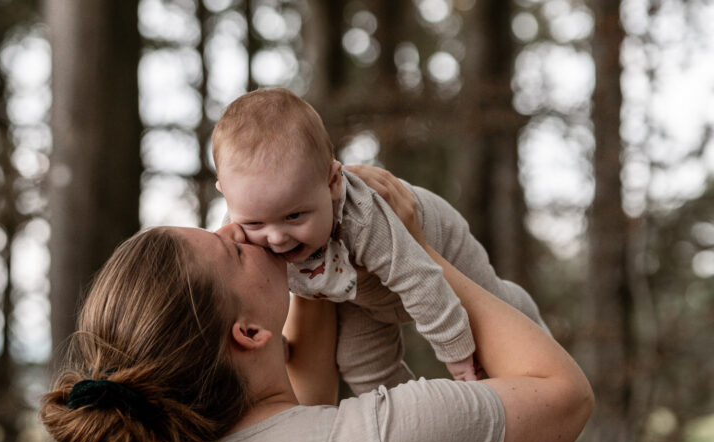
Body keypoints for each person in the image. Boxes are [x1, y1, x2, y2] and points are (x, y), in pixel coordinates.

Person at [39, 167, 593, 442]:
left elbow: (295, 412)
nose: (236, 228)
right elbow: (562, 394)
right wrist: (413, 252)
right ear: (250, 333)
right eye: (231, 249)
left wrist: (316, 249)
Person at [212, 88, 550, 391]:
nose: (275, 237)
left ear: (332, 182)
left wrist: (457, 355)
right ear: (227, 198)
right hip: (362, 293)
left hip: (430, 253)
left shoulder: (361, 221)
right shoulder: (237, 238)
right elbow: (240, 297)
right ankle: (419, 430)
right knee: (362, 367)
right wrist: (268, 346)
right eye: (255, 222)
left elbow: (419, 280)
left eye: (294, 216)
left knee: (489, 317)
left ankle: (526, 316)